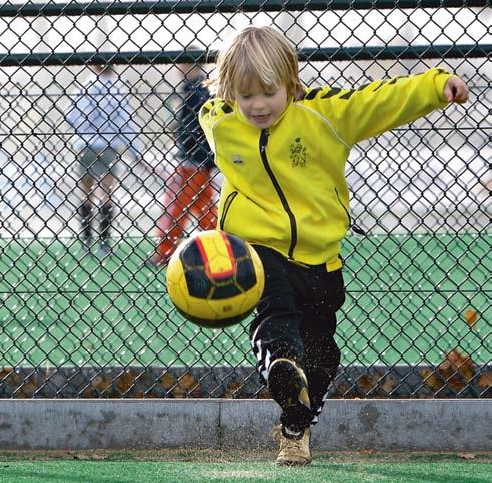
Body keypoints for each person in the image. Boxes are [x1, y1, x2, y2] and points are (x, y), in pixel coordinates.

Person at [199, 26, 469, 466]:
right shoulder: (218, 120)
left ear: (291, 83)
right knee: (275, 313)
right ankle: (281, 365)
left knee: (323, 356)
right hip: (257, 248)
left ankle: (296, 424)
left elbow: (380, 102)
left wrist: (436, 85)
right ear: (229, 92)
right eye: (246, 96)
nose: (258, 105)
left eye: (268, 92)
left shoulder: (325, 115)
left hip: (320, 257)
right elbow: (222, 125)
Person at [145, 51, 218, 266]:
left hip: (192, 158)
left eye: (181, 64)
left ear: (189, 64)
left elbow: (195, 126)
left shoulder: (197, 90)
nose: (177, 69)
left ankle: (165, 251)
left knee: (176, 204)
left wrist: (183, 138)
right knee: (204, 208)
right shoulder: (200, 88)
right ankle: (217, 246)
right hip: (200, 159)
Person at [65, 63, 143, 256]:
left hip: (85, 144)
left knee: (86, 193)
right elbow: (125, 123)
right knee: (106, 193)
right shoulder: (116, 90)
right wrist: (136, 151)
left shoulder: (84, 88)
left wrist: (84, 129)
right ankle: (104, 243)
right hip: (108, 144)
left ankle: (86, 241)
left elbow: (69, 115)